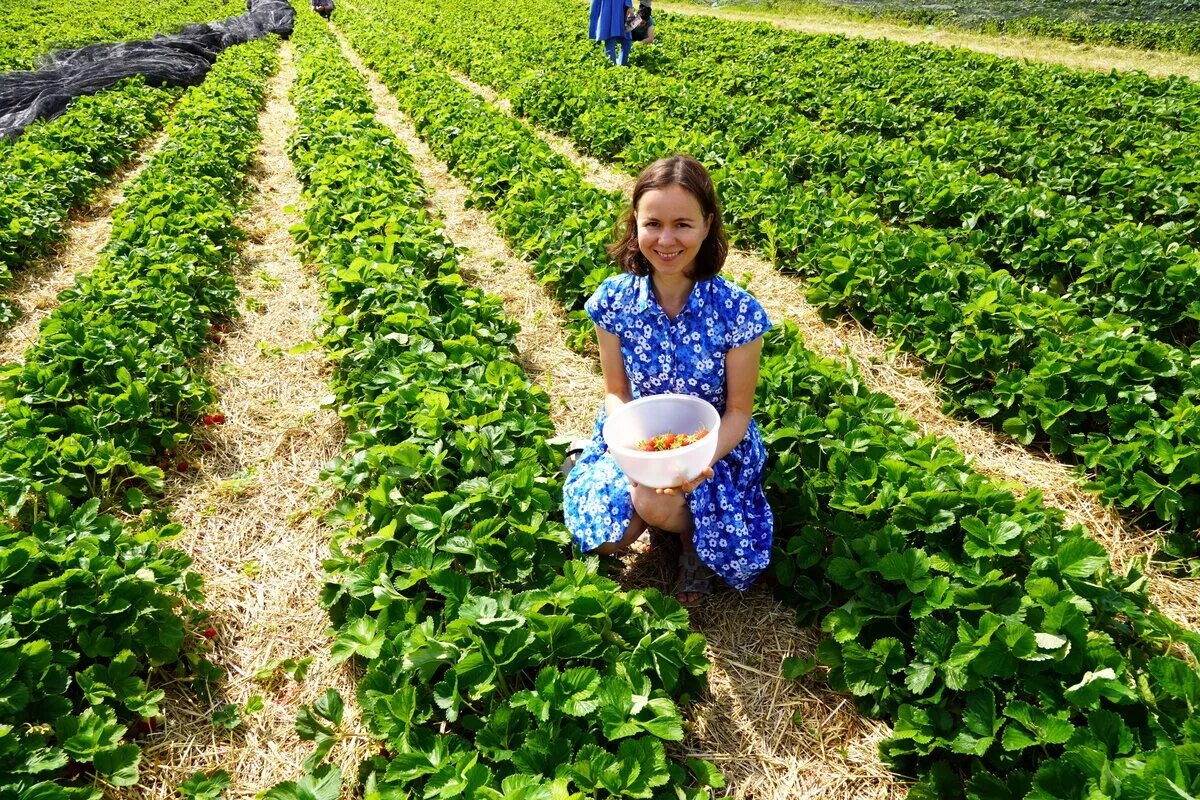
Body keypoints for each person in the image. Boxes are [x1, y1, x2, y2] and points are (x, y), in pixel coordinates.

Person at [563, 155, 774, 606]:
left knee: (659, 504)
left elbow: (737, 412)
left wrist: (693, 465)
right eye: (652, 223)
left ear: (707, 225)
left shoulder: (736, 310)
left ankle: (688, 546)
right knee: (607, 538)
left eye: (683, 224)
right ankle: (588, 461)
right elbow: (617, 393)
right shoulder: (614, 301)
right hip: (640, 437)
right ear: (634, 224)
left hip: (714, 445)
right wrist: (635, 452)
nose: (666, 239)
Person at [590, 0, 633, 66]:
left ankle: (622, 66)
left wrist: (630, 6)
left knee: (627, 40)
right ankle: (612, 68)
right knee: (610, 39)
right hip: (607, 11)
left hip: (621, 10)